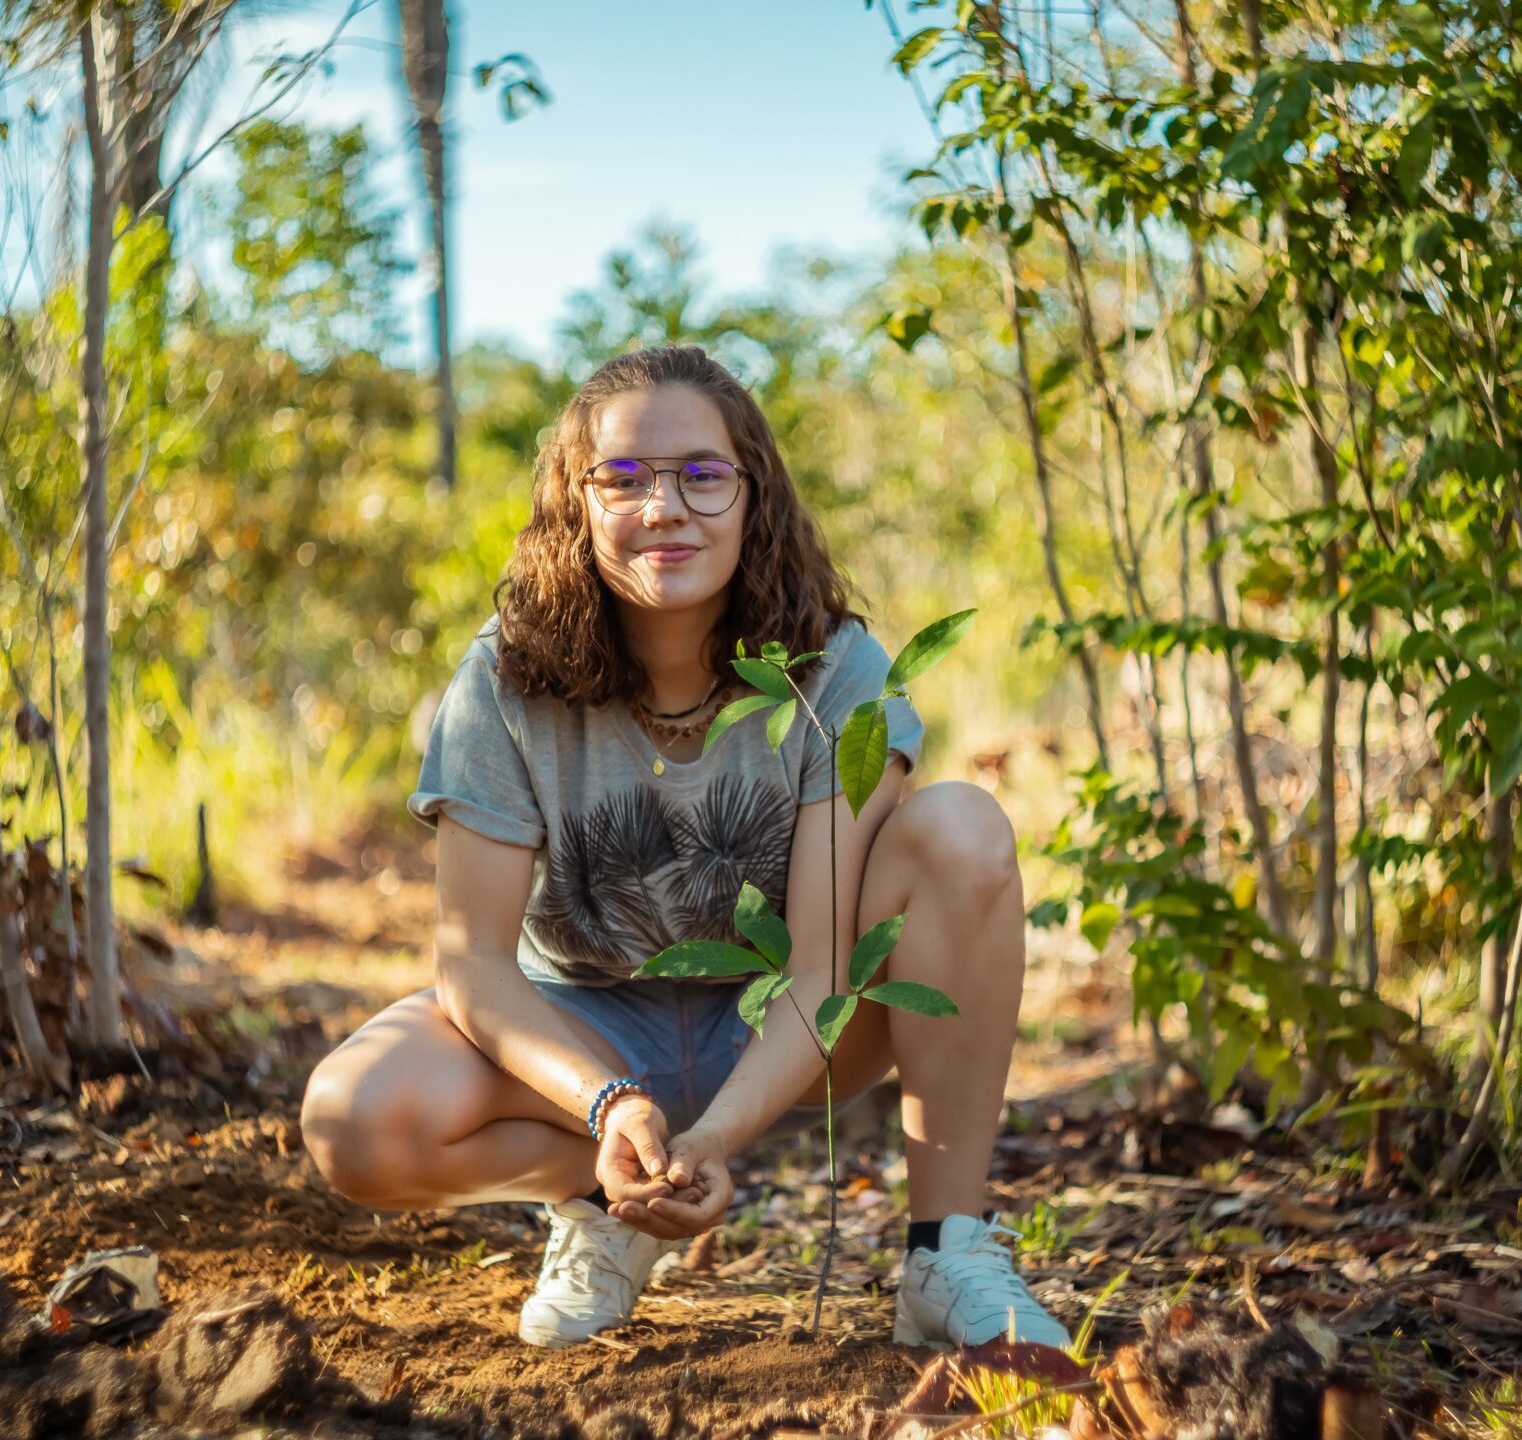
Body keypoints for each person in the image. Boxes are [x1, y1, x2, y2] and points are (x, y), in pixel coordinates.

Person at [299, 344, 1070, 1352]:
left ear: (754, 496)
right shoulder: (502, 679)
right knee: (353, 1121)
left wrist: (718, 1136)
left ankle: (946, 1250)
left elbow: (819, 966)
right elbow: (473, 961)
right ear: (575, 504)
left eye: (701, 474)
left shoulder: (834, 672)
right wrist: (610, 1105)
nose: (663, 506)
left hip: (788, 1021)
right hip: (586, 1022)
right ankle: (608, 1203)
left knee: (962, 827)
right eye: (621, 478)